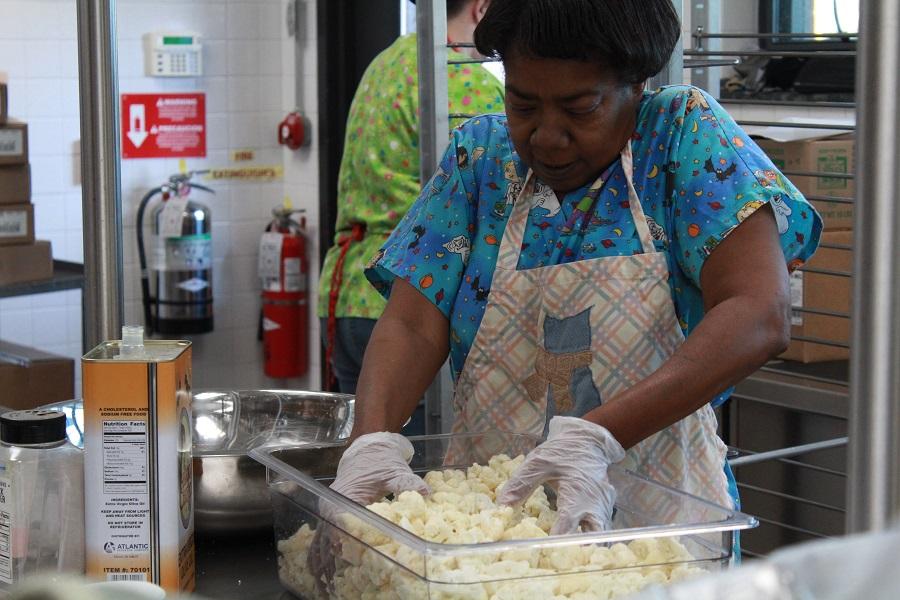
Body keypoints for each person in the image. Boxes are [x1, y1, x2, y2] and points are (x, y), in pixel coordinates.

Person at [328, 0, 823, 536]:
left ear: (635, 84)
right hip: (499, 528)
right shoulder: (482, 160)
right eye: (523, 105)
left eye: (579, 108)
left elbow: (758, 311)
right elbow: (411, 324)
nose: (546, 136)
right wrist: (371, 439)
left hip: (665, 527)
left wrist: (595, 438)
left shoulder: (681, 137)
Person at [317, 0, 503, 395]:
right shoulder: (465, 81)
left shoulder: (384, 63)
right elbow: (502, 198)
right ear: (482, 8)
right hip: (407, 301)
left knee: (366, 447)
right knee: (414, 456)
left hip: (347, 293)